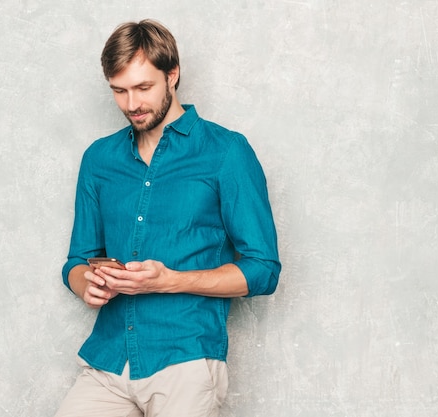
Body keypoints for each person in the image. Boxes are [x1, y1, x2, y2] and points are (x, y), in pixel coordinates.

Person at [55, 19, 281, 417]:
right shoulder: (98, 160)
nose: (131, 105)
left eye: (143, 88)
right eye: (119, 91)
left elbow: (264, 270)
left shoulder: (226, 152)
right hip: (108, 358)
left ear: (172, 74)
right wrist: (85, 283)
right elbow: (77, 259)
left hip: (186, 359)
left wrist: (169, 281)